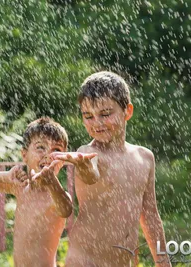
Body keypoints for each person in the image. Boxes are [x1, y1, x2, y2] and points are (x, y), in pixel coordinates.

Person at [51, 71, 171, 267]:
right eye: (88, 116)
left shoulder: (144, 158)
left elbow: (150, 215)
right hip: (85, 262)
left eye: (105, 114)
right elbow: (91, 175)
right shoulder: (88, 153)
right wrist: (84, 167)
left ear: (127, 111)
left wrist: (163, 261)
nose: (97, 123)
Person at [0, 117, 73, 267]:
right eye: (40, 147)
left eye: (56, 150)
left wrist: (53, 184)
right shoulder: (21, 188)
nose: (48, 155)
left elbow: (66, 209)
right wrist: (5, 176)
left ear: (62, 160)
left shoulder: (56, 195)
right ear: (24, 155)